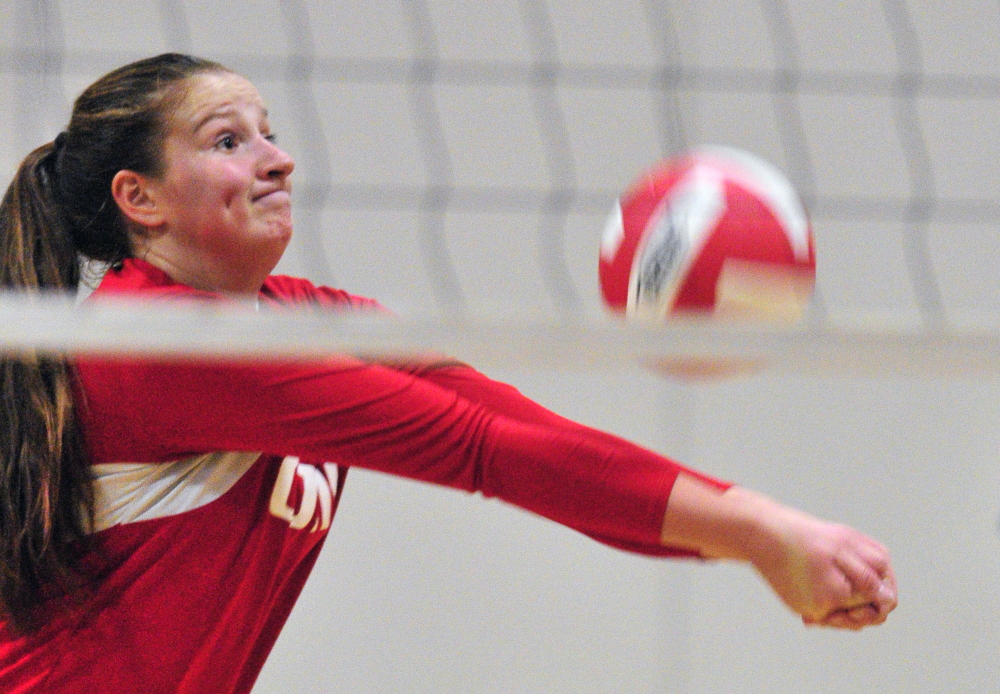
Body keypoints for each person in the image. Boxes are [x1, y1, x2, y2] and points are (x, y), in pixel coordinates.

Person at [0, 53, 896, 693]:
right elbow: (484, 453)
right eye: (229, 140)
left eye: (270, 134)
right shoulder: (157, 346)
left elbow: (525, 439)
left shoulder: (306, 319)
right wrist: (756, 534)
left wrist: (758, 533)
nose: (277, 158)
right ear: (139, 198)